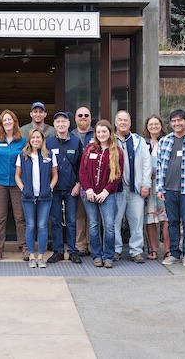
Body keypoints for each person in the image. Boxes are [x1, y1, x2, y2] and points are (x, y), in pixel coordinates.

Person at [156, 109, 185, 267]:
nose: (177, 124)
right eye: (174, 121)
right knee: (172, 222)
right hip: (169, 189)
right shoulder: (164, 141)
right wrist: (159, 187)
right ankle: (174, 253)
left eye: (180, 121)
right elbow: (160, 165)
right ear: (171, 123)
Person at [80, 120, 124, 268]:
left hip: (108, 194)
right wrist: (88, 189)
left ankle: (108, 256)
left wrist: (106, 191)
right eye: (98, 132)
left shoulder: (117, 151)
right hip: (90, 194)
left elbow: (117, 175)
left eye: (104, 131)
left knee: (109, 226)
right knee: (93, 225)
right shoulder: (89, 149)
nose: (101, 134)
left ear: (110, 132)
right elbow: (83, 171)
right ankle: (97, 256)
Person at [0, 110, 27, 261]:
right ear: (1, 123)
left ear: (15, 122)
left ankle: (24, 247)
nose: (7, 123)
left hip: (17, 183)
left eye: (9, 120)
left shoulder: (22, 140)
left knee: (20, 216)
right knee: (0, 217)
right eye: (4, 120)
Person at [16, 129, 58, 268]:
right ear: (29, 139)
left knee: (42, 226)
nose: (35, 140)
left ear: (42, 139)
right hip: (28, 197)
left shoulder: (49, 155)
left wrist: (50, 187)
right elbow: (17, 175)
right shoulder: (23, 155)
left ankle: (41, 257)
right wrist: (23, 188)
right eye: (33, 137)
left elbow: (55, 175)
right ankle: (31, 256)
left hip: (45, 197)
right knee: (30, 226)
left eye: (38, 137)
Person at [113, 111, 151, 263]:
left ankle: (136, 251)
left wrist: (146, 184)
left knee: (136, 221)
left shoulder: (138, 140)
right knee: (114, 221)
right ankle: (115, 250)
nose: (123, 123)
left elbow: (146, 163)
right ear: (115, 123)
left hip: (135, 189)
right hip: (115, 190)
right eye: (120, 120)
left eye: (125, 120)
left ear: (130, 123)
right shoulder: (110, 140)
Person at [45, 111, 83, 264]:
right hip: (54, 188)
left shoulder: (76, 142)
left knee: (72, 220)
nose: (61, 124)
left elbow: (81, 166)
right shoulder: (48, 143)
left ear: (69, 124)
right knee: (55, 220)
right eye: (57, 122)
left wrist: (78, 184)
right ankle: (58, 250)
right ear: (54, 125)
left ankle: (73, 250)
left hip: (71, 188)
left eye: (63, 122)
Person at [142, 115, 169, 260]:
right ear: (147, 126)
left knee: (166, 218)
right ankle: (153, 249)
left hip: (165, 185)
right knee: (150, 218)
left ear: (161, 126)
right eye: (150, 124)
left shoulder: (168, 141)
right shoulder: (142, 142)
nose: (153, 126)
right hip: (148, 185)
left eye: (156, 124)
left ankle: (168, 250)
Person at [71, 107, 94, 256]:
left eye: (86, 115)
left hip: (95, 181)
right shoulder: (71, 135)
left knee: (93, 216)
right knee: (79, 215)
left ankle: (93, 245)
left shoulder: (97, 133)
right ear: (75, 118)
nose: (83, 117)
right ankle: (80, 245)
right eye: (80, 115)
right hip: (76, 181)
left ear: (91, 118)